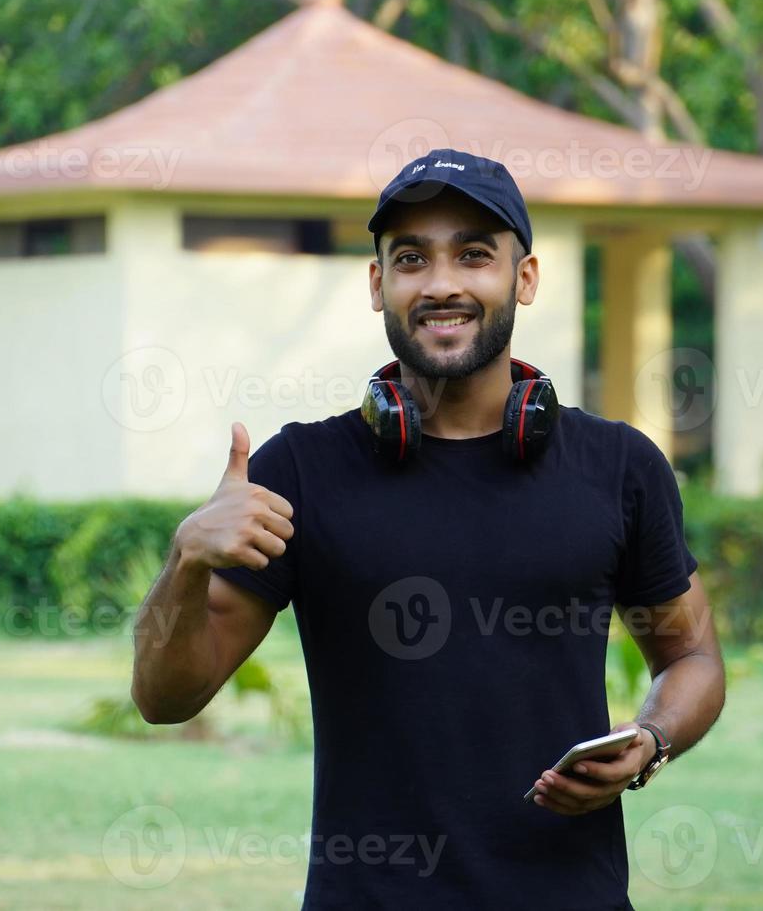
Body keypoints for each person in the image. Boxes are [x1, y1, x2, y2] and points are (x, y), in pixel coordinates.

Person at [132, 148, 726, 909]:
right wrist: (184, 560)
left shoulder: (619, 467)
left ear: (526, 278)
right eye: (411, 259)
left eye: (474, 255)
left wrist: (650, 741)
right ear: (378, 285)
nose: (442, 283)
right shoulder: (299, 471)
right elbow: (165, 698)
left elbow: (694, 658)